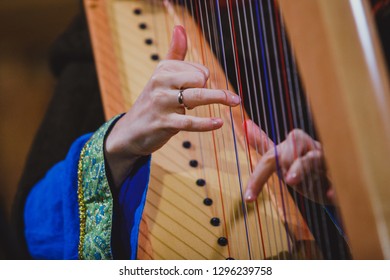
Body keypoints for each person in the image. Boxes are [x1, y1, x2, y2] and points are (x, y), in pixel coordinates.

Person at [13, 0, 389, 260]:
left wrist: (339, 195)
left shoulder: (367, 25)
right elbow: (35, 235)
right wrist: (116, 145)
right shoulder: (104, 24)